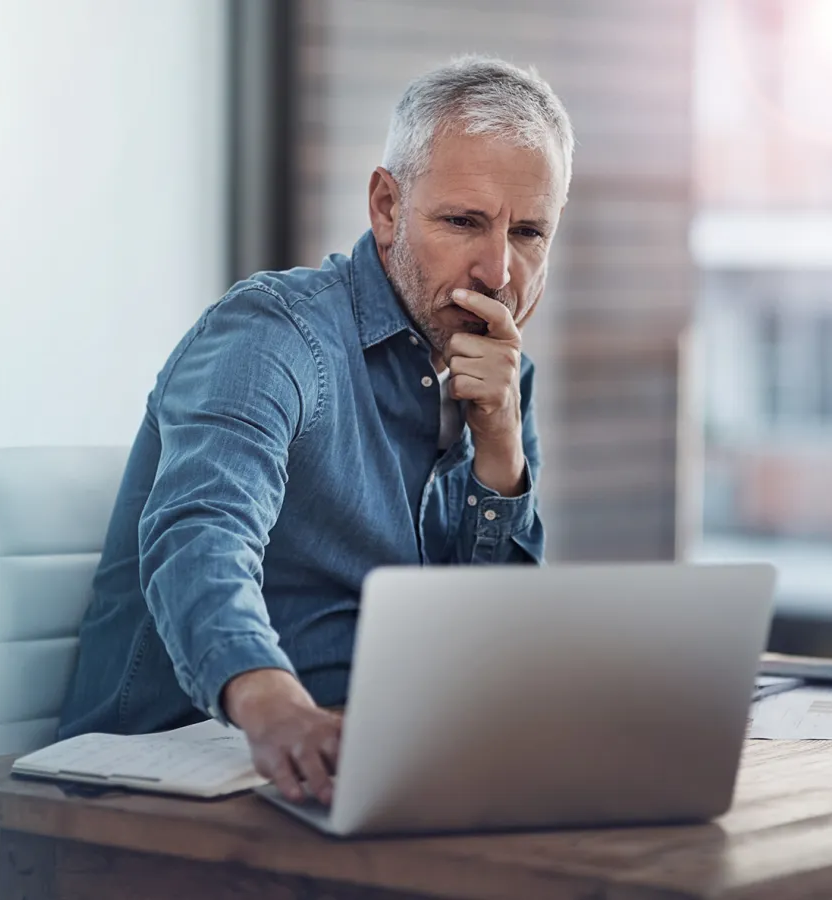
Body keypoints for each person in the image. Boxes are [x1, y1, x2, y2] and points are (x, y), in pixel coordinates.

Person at [58, 55, 574, 807]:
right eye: (464, 221)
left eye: (528, 233)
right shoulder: (274, 334)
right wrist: (274, 705)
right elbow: (202, 535)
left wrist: (500, 456)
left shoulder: (499, 379)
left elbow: (487, 655)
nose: (498, 270)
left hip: (376, 773)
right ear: (387, 206)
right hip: (181, 781)